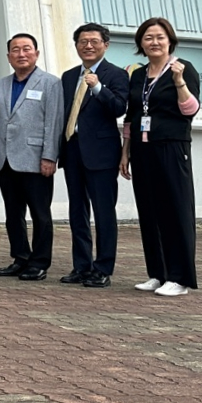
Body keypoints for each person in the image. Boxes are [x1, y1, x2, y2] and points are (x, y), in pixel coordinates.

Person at [122, 17, 201, 297]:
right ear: (141, 44)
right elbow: (132, 115)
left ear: (170, 40)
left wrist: (179, 82)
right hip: (142, 149)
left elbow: (190, 110)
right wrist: (125, 151)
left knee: (175, 210)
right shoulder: (138, 74)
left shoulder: (183, 68)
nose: (154, 42)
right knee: (149, 210)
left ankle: (179, 278)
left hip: (171, 146)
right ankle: (158, 273)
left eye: (160, 37)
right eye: (148, 38)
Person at [0, 33, 65, 281]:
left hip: (36, 159)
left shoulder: (50, 83)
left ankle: (39, 263)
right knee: (13, 214)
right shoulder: (1, 84)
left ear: (36, 54)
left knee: (40, 214)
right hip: (6, 158)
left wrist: (50, 156)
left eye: (26, 49)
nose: (21, 54)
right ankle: (20, 257)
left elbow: (54, 122)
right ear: (8, 56)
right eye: (15, 50)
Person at [58, 23, 129, 288]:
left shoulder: (116, 74)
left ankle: (103, 268)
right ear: (76, 45)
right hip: (72, 150)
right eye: (83, 42)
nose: (88, 46)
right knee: (77, 211)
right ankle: (82, 266)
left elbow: (119, 108)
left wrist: (99, 88)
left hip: (101, 153)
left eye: (94, 41)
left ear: (105, 45)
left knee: (103, 212)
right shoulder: (68, 76)